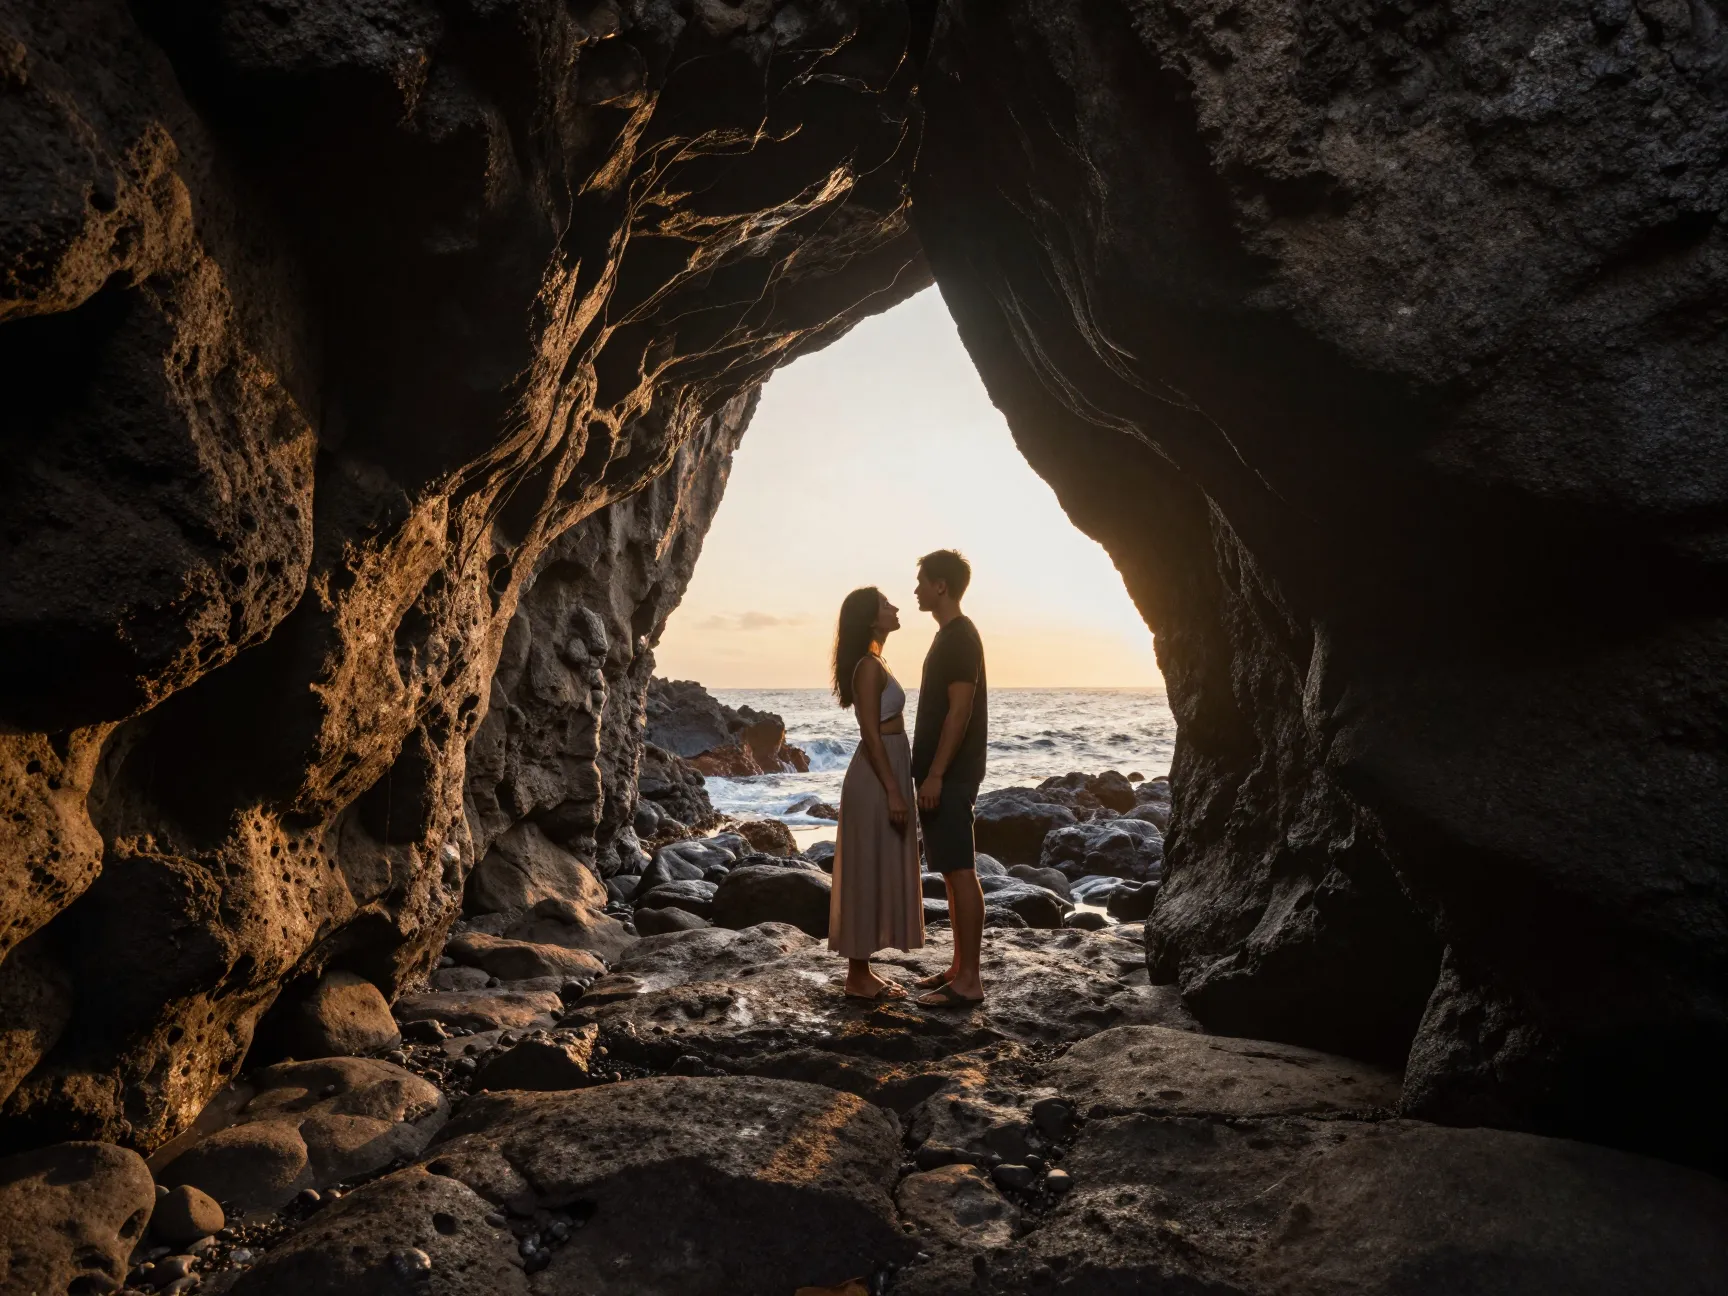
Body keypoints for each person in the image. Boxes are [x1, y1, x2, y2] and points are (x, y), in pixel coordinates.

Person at [827, 585, 924, 1000]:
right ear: (871, 617)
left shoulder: (877, 660)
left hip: (888, 769)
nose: (896, 607)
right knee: (866, 868)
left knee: (876, 864)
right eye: (886, 604)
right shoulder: (868, 666)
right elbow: (869, 732)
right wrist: (894, 792)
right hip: (876, 776)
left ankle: (862, 972)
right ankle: (857, 976)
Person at [909, 549, 988, 1007]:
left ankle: (970, 983)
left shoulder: (960, 637)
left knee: (961, 870)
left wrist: (936, 774)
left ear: (941, 585)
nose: (916, 590)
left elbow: (960, 711)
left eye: (921, 581)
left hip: (951, 776)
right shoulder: (948, 636)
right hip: (942, 775)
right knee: (951, 868)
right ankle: (959, 968)